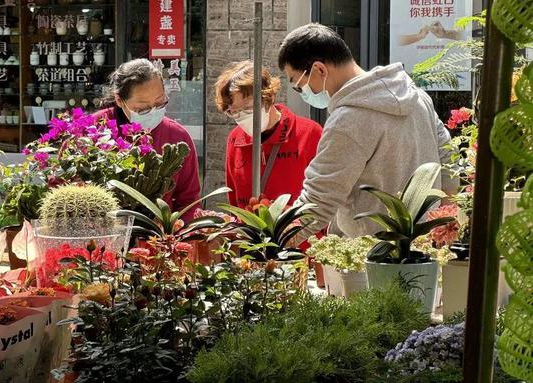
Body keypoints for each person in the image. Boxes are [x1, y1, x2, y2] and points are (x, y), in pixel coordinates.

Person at [277, 23, 454, 241]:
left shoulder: (347, 121)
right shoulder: (417, 97)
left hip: (372, 257)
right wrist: (443, 223)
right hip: (426, 252)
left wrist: (269, 243)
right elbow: (449, 161)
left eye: (298, 83)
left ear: (320, 69)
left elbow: (318, 202)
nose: (301, 91)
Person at [93, 59, 201, 218]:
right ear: (119, 100)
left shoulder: (178, 137)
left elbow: (189, 201)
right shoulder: (93, 129)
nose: (152, 112)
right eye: (142, 108)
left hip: (159, 236)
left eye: (160, 103)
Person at [214, 60, 323, 210]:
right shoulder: (235, 139)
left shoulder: (309, 133)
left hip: (300, 231)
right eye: (234, 112)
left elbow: (324, 195)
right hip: (250, 232)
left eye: (248, 108)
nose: (242, 116)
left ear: (269, 98)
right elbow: (234, 202)